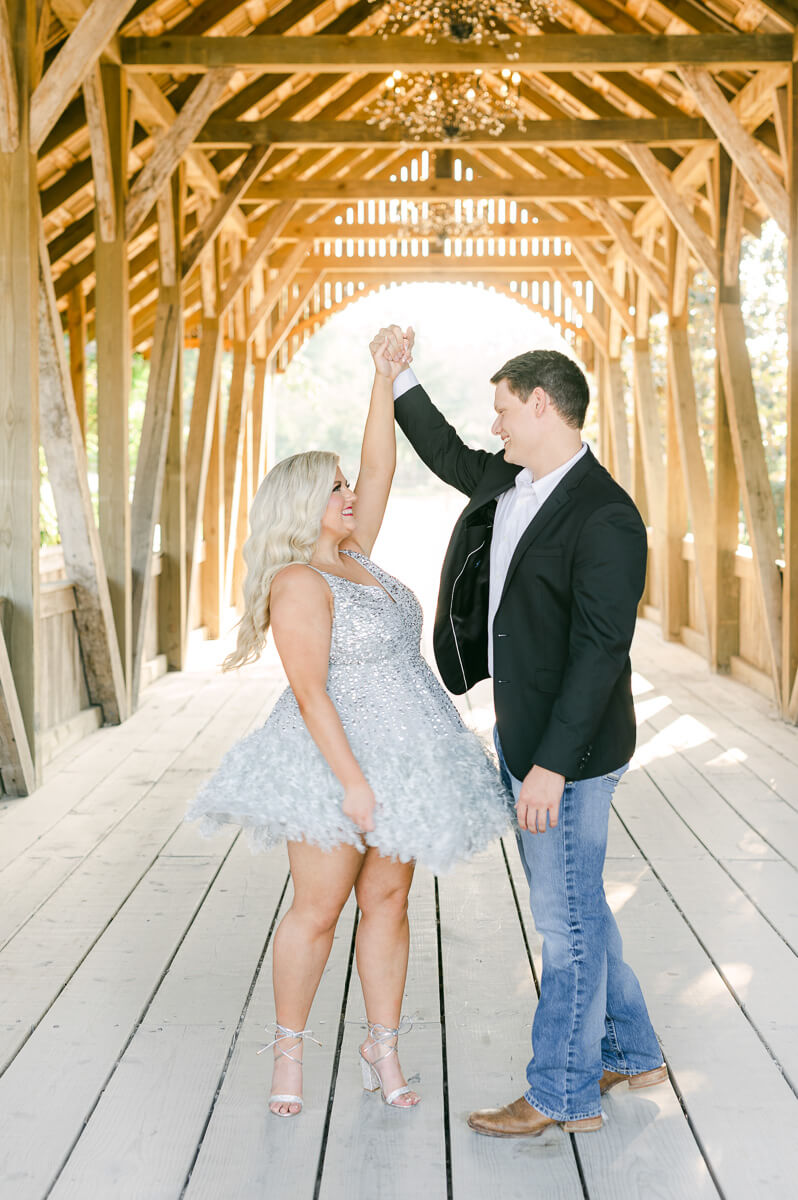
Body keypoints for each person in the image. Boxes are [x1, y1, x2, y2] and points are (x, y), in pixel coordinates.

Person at [185, 333, 510, 1119]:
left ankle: (383, 1045)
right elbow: (309, 693)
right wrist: (354, 787)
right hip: (334, 761)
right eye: (334, 489)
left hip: (408, 750)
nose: (350, 495)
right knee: (318, 910)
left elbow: (382, 465)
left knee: (390, 902)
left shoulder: (357, 555)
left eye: (345, 485)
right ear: (304, 505)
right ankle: (290, 1050)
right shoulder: (298, 580)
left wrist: (384, 377)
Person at [372, 325, 665, 1138]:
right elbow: (447, 453)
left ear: (542, 405)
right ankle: (633, 1049)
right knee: (580, 905)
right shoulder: (511, 480)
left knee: (564, 926)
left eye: (504, 410)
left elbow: (600, 653)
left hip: (563, 753)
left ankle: (563, 1096)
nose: (494, 426)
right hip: (522, 732)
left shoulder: (605, 516)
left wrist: (551, 768)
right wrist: (398, 378)